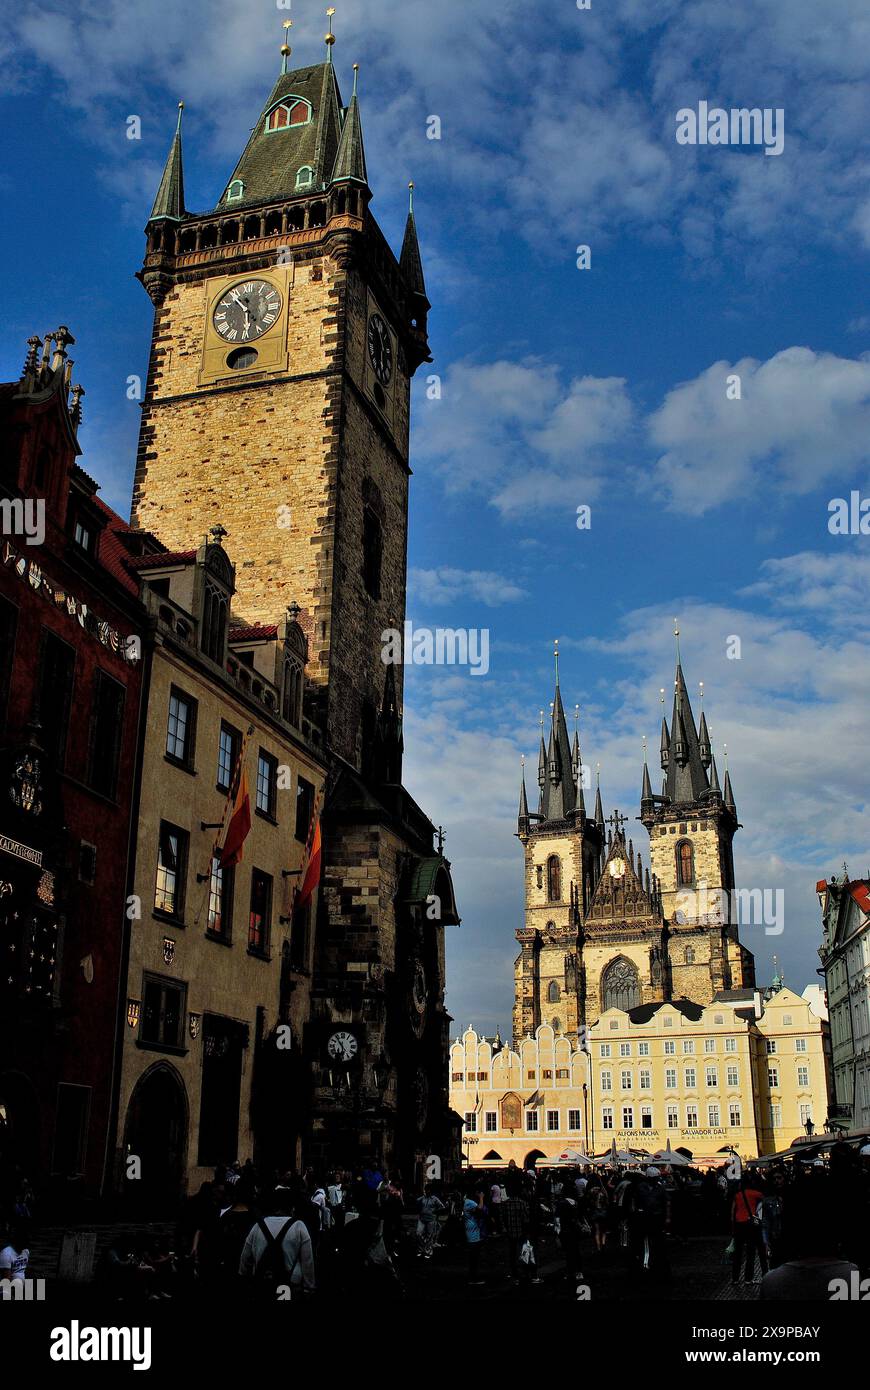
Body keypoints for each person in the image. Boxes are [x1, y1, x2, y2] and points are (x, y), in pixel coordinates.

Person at [238, 1191, 315, 1298]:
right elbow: (308, 1261)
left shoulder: (258, 1226)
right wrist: (309, 1287)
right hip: (290, 1285)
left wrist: (244, 1278)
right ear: (291, 1207)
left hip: (262, 1283)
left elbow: (245, 1258)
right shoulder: (299, 1226)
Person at [731, 1175, 768, 1285]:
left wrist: (733, 1227)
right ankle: (748, 1279)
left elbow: (732, 1212)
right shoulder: (755, 1194)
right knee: (750, 1252)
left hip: (738, 1224)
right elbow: (764, 1200)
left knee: (738, 1253)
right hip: (750, 1225)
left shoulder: (737, 1195)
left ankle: (735, 1278)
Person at [463, 1181, 486, 1285]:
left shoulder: (467, 1201)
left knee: (474, 1258)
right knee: (474, 1258)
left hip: (472, 1233)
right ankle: (473, 1279)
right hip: (472, 1235)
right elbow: (480, 1208)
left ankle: (473, 1278)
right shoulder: (469, 1202)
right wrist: (481, 1197)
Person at [416, 1184, 445, 1259]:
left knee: (429, 1236)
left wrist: (436, 1212)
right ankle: (421, 1249)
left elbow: (442, 1207)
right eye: (426, 1190)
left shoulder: (435, 1199)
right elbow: (416, 1202)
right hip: (422, 1219)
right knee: (418, 1233)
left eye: (428, 1190)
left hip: (431, 1220)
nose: (426, 1191)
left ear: (431, 1191)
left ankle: (428, 1251)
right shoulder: (422, 1198)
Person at [0, 1223, 29, 1291]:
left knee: (40, 1289)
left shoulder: (26, 1251)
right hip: (10, 1288)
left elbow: (23, 1270)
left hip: (21, 1286)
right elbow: (6, 1280)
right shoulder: (6, 1254)